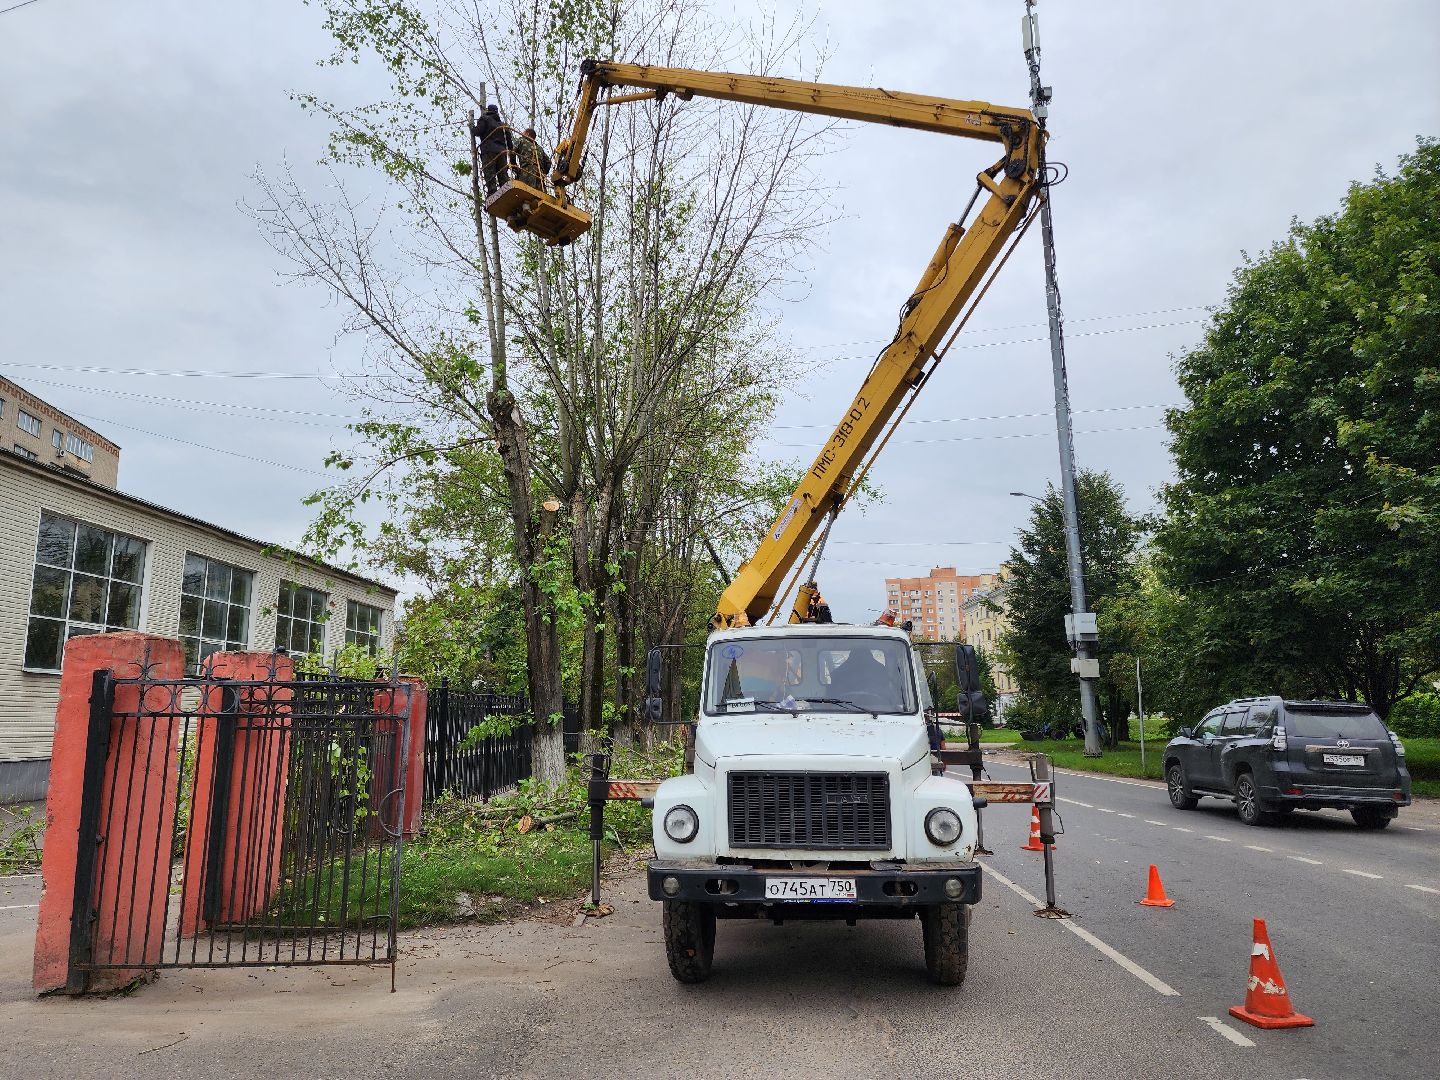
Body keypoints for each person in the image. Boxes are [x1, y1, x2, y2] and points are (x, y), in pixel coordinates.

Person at [472, 104, 513, 195]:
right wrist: (510, 155)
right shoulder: (503, 125)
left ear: (488, 110)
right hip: (502, 152)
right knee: (503, 174)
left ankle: (492, 193)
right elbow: (509, 143)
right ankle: (507, 193)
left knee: (490, 173)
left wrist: (472, 128)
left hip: (489, 150)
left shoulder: (485, 119)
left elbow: (478, 131)